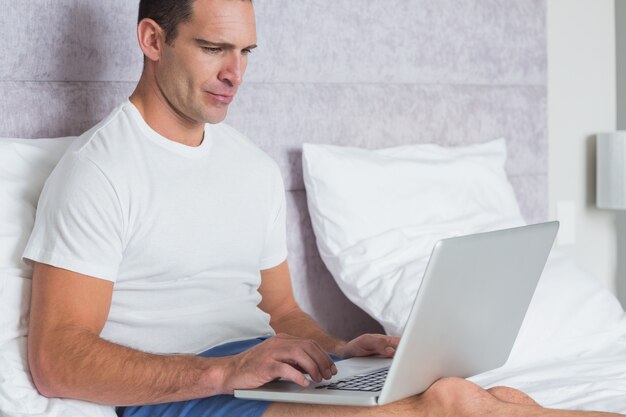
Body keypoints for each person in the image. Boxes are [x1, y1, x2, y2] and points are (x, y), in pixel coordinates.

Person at [23, 1, 622, 416]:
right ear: (153, 40)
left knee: (496, 398)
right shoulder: (100, 171)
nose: (236, 74)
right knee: (451, 404)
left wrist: (337, 348)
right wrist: (222, 374)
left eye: (247, 51)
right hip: (183, 393)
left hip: (261, 373)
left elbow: (280, 309)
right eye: (213, 49)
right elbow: (56, 359)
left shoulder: (251, 168)